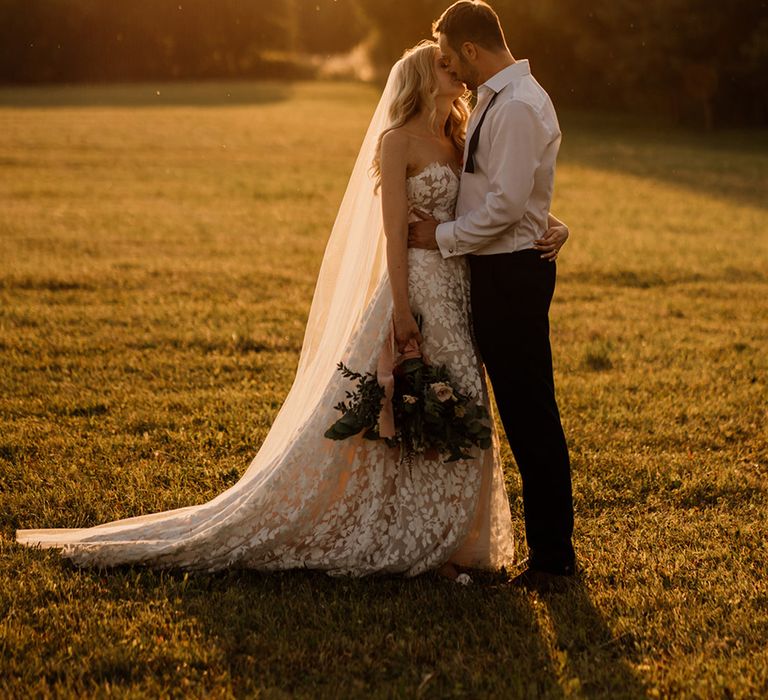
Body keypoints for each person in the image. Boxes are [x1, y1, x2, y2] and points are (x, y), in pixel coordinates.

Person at [16, 40, 567, 583]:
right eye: (444, 65)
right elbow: (393, 235)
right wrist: (402, 311)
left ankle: (449, 535)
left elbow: (503, 193)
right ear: (423, 78)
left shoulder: (459, 134)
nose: (457, 73)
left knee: (458, 398)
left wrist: (549, 223)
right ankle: (392, 527)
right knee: (397, 407)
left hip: (461, 288)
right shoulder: (397, 141)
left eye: (455, 62)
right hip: (419, 287)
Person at [408, 1, 577, 589]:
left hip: (512, 275)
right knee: (513, 410)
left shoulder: (521, 105)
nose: (452, 70)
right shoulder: (496, 99)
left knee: (531, 414)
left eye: (454, 58)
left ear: (473, 51)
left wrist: (442, 235)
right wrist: (547, 219)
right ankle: (532, 552)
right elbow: (505, 189)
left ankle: (555, 562)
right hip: (497, 267)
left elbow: (505, 205)